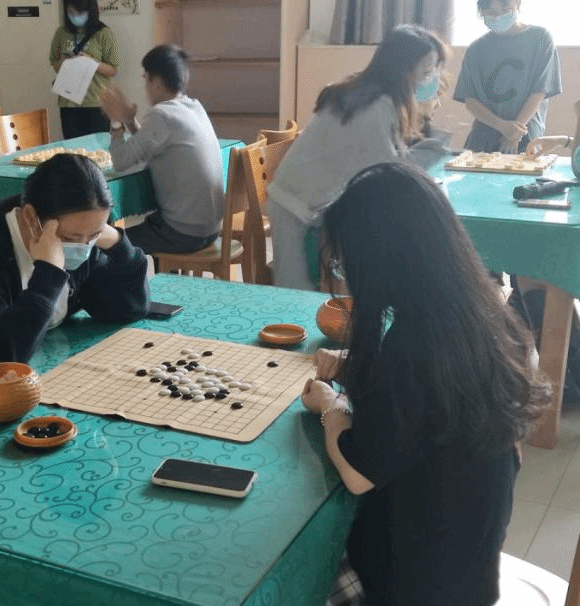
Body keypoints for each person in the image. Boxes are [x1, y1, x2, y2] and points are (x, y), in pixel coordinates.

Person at [302, 162, 550, 606]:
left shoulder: (413, 344)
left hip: (415, 586)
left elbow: (359, 474)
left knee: (298, 563)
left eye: (345, 262)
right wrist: (355, 368)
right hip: (470, 571)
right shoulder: (482, 313)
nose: (346, 274)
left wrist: (330, 405)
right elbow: (425, 403)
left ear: (379, 261)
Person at [0, 153, 150, 383]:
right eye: (70, 237)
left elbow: (129, 308)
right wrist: (48, 274)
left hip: (49, 373)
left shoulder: (83, 240)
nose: (83, 248)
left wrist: (118, 245)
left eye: (94, 235)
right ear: (31, 218)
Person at [266, 24, 447, 291]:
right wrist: (431, 155)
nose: (433, 79)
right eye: (427, 72)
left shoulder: (376, 97)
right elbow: (387, 175)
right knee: (296, 297)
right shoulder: (373, 107)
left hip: (312, 204)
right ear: (402, 71)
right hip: (296, 209)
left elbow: (388, 162)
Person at [99, 44, 224, 259]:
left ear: (155, 82)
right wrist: (130, 120)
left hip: (183, 233)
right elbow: (151, 147)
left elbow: (120, 162)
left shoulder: (162, 115)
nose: (145, 85)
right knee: (139, 227)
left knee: (107, 241)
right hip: (210, 229)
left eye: (145, 78)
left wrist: (116, 121)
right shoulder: (194, 107)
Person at [453, 0, 561, 154]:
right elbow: (470, 100)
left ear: (518, 4)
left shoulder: (540, 38)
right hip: (483, 138)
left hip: (525, 135)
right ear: (481, 11)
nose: (497, 16)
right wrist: (502, 126)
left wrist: (515, 132)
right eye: (490, 12)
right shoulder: (475, 49)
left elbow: (540, 91)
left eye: (504, 9)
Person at [49, 0, 119, 139]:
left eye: (80, 12)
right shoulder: (61, 32)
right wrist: (65, 62)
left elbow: (113, 69)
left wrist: (91, 62)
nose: (75, 16)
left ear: (91, 11)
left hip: (96, 103)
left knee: (99, 148)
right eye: (71, 12)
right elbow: (55, 63)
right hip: (69, 103)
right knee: (73, 149)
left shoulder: (104, 33)